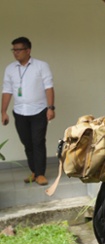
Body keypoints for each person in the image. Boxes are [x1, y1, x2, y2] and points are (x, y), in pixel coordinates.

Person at [1, 37, 56, 185]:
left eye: (19, 50)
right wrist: (3, 112)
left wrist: (51, 108)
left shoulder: (41, 66)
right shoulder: (10, 69)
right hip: (19, 112)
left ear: (28, 50)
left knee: (38, 141)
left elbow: (48, 87)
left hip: (39, 111)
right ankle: (34, 171)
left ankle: (40, 174)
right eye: (14, 50)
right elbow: (7, 90)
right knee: (27, 143)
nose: (15, 53)